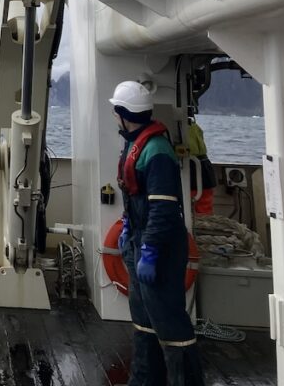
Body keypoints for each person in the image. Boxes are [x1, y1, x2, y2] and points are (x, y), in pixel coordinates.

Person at [111, 80, 205, 386]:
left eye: (116, 111)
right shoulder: (136, 144)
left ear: (124, 113)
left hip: (160, 247)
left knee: (171, 324)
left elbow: (164, 210)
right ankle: (143, 380)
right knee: (145, 321)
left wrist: (150, 250)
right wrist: (128, 229)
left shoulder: (157, 152)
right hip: (140, 240)